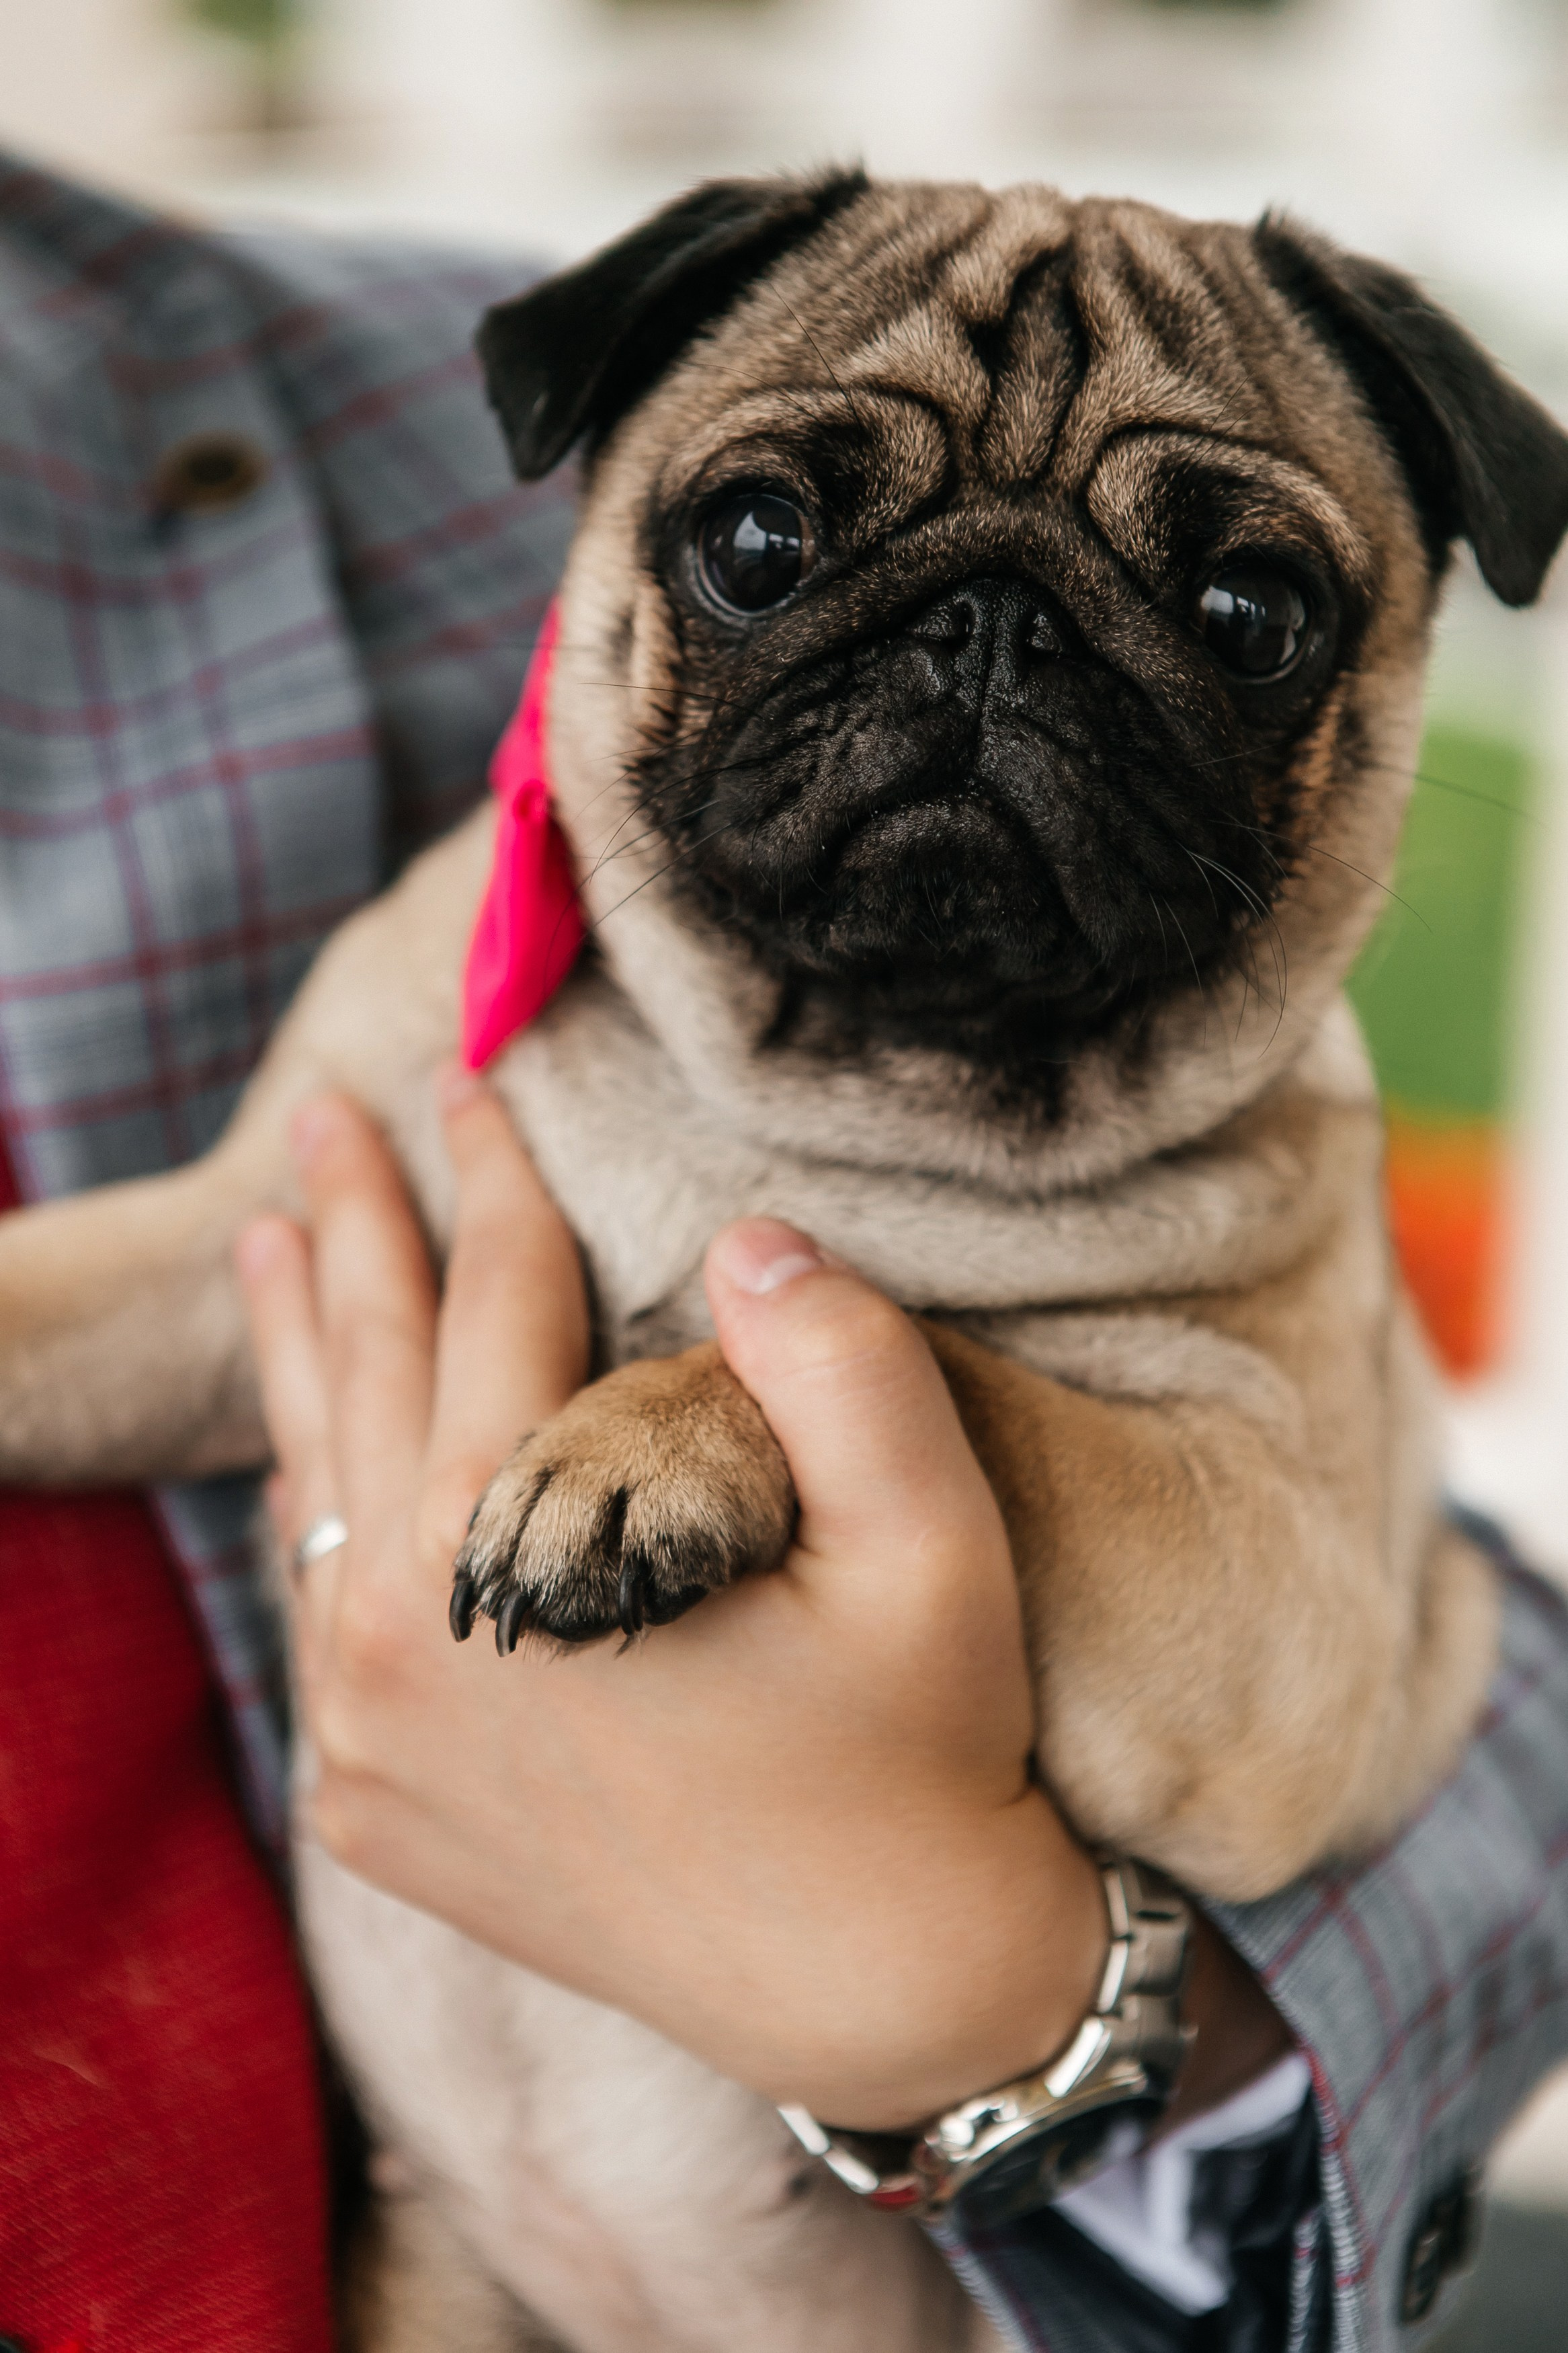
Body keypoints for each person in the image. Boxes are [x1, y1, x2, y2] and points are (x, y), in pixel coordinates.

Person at [1, 149, 1566, 2353]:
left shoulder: (1239, 1196)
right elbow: (205, 1284)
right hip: (429, 2249)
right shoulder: (458, 954)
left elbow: (1272, 1732)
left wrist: (782, 1445)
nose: (989, 663)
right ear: (598, 505)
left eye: (1234, 618)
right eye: (767, 549)